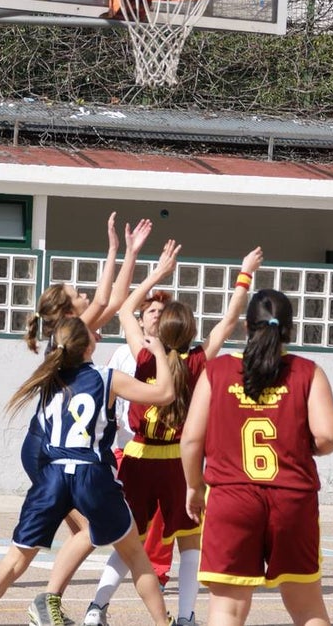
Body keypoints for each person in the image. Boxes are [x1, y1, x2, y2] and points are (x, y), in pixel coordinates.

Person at [0, 317, 175, 626]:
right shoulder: (106, 378)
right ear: (88, 346)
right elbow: (164, 394)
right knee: (136, 556)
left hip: (52, 475)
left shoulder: (48, 380)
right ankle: (163, 624)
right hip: (91, 474)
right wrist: (161, 355)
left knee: (15, 560)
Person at [85, 245, 265, 626]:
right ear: (191, 331)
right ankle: (185, 617)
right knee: (189, 546)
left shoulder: (145, 355)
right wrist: (244, 273)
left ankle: (96, 608)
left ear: (161, 327)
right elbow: (230, 319)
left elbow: (124, 308)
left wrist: (156, 275)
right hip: (178, 461)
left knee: (127, 539)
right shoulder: (199, 360)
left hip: (137, 456)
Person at [181, 288, 333, 626]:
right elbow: (329, 435)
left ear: (245, 327)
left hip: (232, 496)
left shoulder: (218, 371)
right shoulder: (306, 371)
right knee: (307, 607)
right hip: (291, 498)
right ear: (290, 329)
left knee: (227, 609)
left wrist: (194, 487)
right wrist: (304, 447)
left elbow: (191, 440)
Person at [20, 213, 153, 626]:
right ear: (66, 310)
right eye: (76, 292)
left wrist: (125, 252)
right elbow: (108, 301)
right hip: (49, 450)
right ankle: (46, 601)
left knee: (90, 530)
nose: (84, 294)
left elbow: (112, 301)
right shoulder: (72, 332)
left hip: (46, 447)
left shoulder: (68, 338)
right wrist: (120, 250)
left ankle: (48, 601)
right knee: (91, 528)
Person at [104, 289, 176, 590]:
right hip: (127, 445)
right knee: (129, 516)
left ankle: (156, 572)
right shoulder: (125, 353)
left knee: (161, 518)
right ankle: (129, 563)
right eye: (151, 311)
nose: (157, 315)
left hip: (165, 448)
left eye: (162, 311)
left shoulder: (176, 354)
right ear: (141, 320)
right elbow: (108, 390)